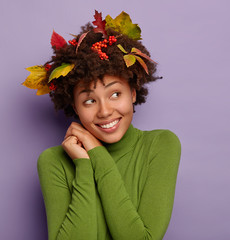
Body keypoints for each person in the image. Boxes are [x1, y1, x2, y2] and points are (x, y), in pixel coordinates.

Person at [23, 10, 181, 240]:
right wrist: (84, 167)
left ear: (133, 93)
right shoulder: (53, 161)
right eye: (89, 100)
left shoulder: (161, 145)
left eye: (115, 94)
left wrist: (95, 150)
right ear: (75, 108)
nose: (105, 111)